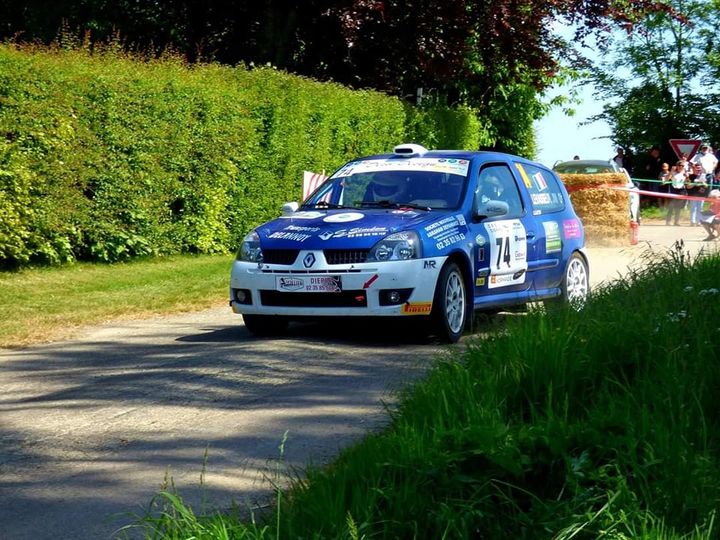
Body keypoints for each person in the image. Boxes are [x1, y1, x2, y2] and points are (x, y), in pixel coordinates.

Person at [666, 161, 688, 226]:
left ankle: (676, 221)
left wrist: (687, 177)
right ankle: (668, 221)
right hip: (673, 190)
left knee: (678, 207)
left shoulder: (684, 173)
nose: (681, 167)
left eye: (682, 166)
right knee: (671, 206)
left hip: (681, 190)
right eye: (679, 165)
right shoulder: (673, 172)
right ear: (677, 166)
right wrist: (671, 171)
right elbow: (667, 179)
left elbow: (687, 182)